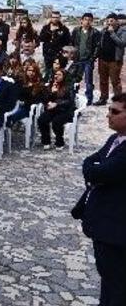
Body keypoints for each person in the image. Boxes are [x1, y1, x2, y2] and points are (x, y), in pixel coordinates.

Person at [73, 93, 126, 306]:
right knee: (109, 280)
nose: (108, 116)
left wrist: (94, 171)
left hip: (116, 228)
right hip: (104, 225)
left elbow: (99, 172)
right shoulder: (115, 139)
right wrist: (93, 169)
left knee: (116, 285)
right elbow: (91, 161)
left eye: (115, 112)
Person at [37, 69, 76, 150]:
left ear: (64, 76)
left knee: (56, 122)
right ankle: (46, 141)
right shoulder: (51, 85)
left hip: (65, 110)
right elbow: (44, 98)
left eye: (59, 75)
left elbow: (70, 101)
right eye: (56, 74)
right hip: (53, 109)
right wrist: (52, 92)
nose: (56, 76)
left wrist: (57, 103)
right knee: (42, 120)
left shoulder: (69, 86)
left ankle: (59, 142)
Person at [96, 13, 126, 106]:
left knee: (115, 81)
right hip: (103, 60)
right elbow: (99, 43)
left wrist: (112, 33)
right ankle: (103, 98)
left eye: (111, 20)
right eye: (108, 21)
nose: (109, 22)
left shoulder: (122, 31)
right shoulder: (104, 31)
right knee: (103, 80)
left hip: (114, 61)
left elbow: (122, 44)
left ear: (116, 21)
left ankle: (118, 101)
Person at [38, 10, 71, 78]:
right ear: (51, 18)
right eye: (53, 17)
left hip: (59, 55)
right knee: (48, 72)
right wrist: (49, 31)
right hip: (48, 54)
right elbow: (41, 38)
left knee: (59, 73)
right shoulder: (46, 28)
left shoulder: (64, 29)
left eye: (57, 17)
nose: (55, 19)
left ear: (59, 18)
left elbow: (68, 42)